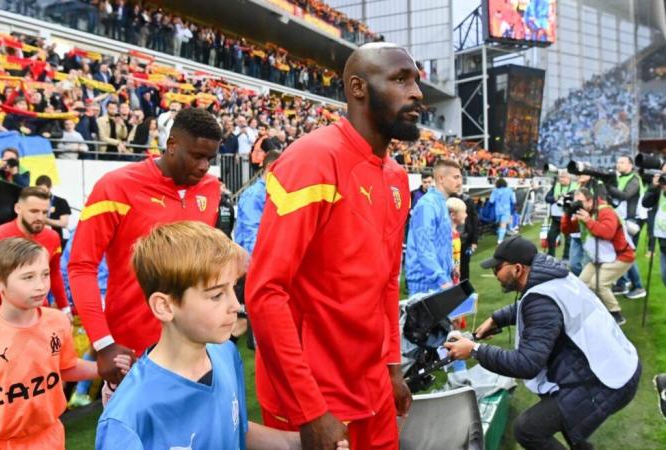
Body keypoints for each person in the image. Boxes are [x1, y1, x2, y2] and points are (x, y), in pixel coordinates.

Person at [246, 42, 421, 450]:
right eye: (400, 79)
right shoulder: (312, 160)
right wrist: (309, 410)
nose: (416, 93)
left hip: (373, 382)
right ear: (357, 88)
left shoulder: (396, 176)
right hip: (314, 394)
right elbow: (264, 292)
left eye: (415, 80)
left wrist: (392, 369)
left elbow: (387, 283)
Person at [96, 222, 345, 449]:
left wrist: (303, 443)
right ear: (165, 306)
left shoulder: (225, 353)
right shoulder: (126, 419)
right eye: (217, 295)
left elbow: (236, 431)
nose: (236, 305)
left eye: (233, 288)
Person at [68, 107, 223, 386]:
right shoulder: (115, 186)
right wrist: (103, 344)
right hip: (133, 351)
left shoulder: (211, 189)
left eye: (210, 159)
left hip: (196, 346)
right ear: (172, 145)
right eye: (197, 156)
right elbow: (81, 266)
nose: (204, 167)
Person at [445, 236, 641, 450]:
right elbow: (535, 310)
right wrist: (496, 318)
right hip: (615, 363)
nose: (495, 275)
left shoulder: (542, 298)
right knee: (565, 420)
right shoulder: (551, 277)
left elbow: (527, 363)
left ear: (518, 269)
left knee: (528, 429)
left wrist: (474, 350)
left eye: (498, 268)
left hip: (607, 379)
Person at [0, 237, 130, 448]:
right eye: (28, 277)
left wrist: (106, 368)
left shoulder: (57, 321)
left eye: (44, 274)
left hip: (50, 437)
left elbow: (65, 367)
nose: (41, 286)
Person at [0, 187, 71, 323]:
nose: (40, 217)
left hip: (38, 317)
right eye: (33, 211)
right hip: (0, 320)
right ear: (18, 209)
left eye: (44, 212)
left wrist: (65, 308)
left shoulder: (52, 238)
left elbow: (54, 273)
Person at [561, 188, 634, 325]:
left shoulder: (605, 211)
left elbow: (607, 233)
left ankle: (616, 314)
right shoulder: (584, 212)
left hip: (620, 255)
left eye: (580, 201)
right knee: (581, 283)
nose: (577, 204)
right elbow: (567, 230)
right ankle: (590, 310)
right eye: (575, 201)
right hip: (598, 257)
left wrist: (588, 220)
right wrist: (567, 213)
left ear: (590, 200)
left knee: (598, 283)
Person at [406, 159, 462, 294]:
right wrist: (442, 279)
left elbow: (441, 243)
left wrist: (450, 267)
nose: (460, 182)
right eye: (456, 177)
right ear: (441, 178)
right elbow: (424, 247)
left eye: (460, 177)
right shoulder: (427, 205)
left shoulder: (441, 203)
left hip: (437, 279)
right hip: (425, 283)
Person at [608, 156, 647, 299]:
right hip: (621, 220)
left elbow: (625, 195)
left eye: (622, 162)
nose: (619, 164)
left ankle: (638, 286)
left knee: (626, 254)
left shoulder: (634, 179)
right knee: (621, 253)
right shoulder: (620, 178)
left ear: (630, 165)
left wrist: (608, 186)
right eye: (618, 162)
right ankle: (622, 283)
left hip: (632, 220)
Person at [568, 175, 607, 276]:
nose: (579, 175)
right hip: (577, 232)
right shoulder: (575, 187)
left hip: (590, 233)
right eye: (578, 173)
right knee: (573, 265)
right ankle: (584, 282)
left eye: (582, 173)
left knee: (588, 264)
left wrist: (588, 217)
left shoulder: (597, 185)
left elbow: (601, 204)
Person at [641, 162, 666, 286]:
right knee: (665, 276)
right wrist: (652, 187)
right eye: (663, 174)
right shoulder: (659, 190)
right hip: (663, 241)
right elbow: (645, 203)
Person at [545, 170, 577, 259]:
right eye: (560, 177)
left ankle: (566, 258)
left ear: (569, 178)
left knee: (568, 239)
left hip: (568, 217)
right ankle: (551, 256)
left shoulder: (575, 187)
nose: (561, 179)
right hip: (556, 217)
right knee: (551, 236)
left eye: (564, 177)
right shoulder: (556, 186)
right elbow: (547, 198)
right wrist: (555, 199)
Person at [34, 175, 72, 248]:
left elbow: (63, 223)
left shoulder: (61, 202)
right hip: (37, 241)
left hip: (55, 241)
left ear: (50, 187)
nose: (41, 192)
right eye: (39, 190)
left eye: (44, 190)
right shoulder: (34, 201)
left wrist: (45, 220)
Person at [489, 177, 516, 244]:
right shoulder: (509, 190)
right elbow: (514, 200)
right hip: (506, 209)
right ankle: (500, 239)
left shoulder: (495, 190)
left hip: (497, 210)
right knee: (503, 224)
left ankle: (503, 233)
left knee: (500, 224)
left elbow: (491, 201)